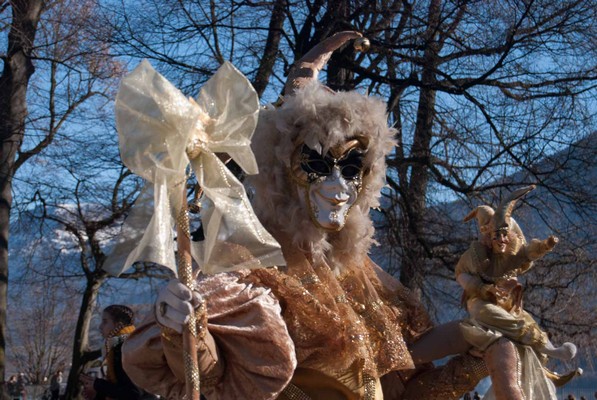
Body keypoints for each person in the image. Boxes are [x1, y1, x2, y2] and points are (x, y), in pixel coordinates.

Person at [120, 31, 486, 399]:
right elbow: (216, 377)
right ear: (281, 170)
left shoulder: (363, 279)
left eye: (353, 167)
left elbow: (401, 390)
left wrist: (481, 347)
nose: (338, 186)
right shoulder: (253, 268)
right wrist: (182, 326)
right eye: (315, 164)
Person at [456, 185, 577, 362]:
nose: (502, 240)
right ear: (488, 236)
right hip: (480, 301)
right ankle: (541, 347)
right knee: (488, 313)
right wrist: (482, 288)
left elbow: (527, 252)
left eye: (505, 235)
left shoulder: (511, 252)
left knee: (525, 318)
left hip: (508, 302)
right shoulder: (474, 256)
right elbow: (459, 273)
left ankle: (550, 350)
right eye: (496, 236)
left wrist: (545, 246)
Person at [79, 305, 146, 399]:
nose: (100, 326)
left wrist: (98, 385)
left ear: (118, 325)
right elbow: (122, 390)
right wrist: (97, 394)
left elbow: (134, 393)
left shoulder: (124, 348)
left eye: (105, 321)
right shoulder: (126, 344)